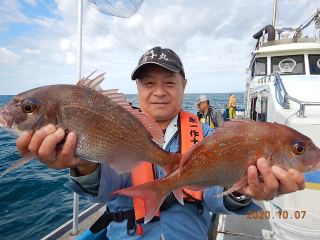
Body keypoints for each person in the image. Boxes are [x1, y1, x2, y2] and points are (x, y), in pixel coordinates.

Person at [16, 46, 306, 240]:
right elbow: (106, 190)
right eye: (148, 83)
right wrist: (83, 165)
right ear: (138, 88)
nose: (159, 92)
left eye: (169, 82)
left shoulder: (207, 135)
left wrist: (242, 193)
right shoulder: (117, 126)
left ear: (184, 86)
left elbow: (214, 193)